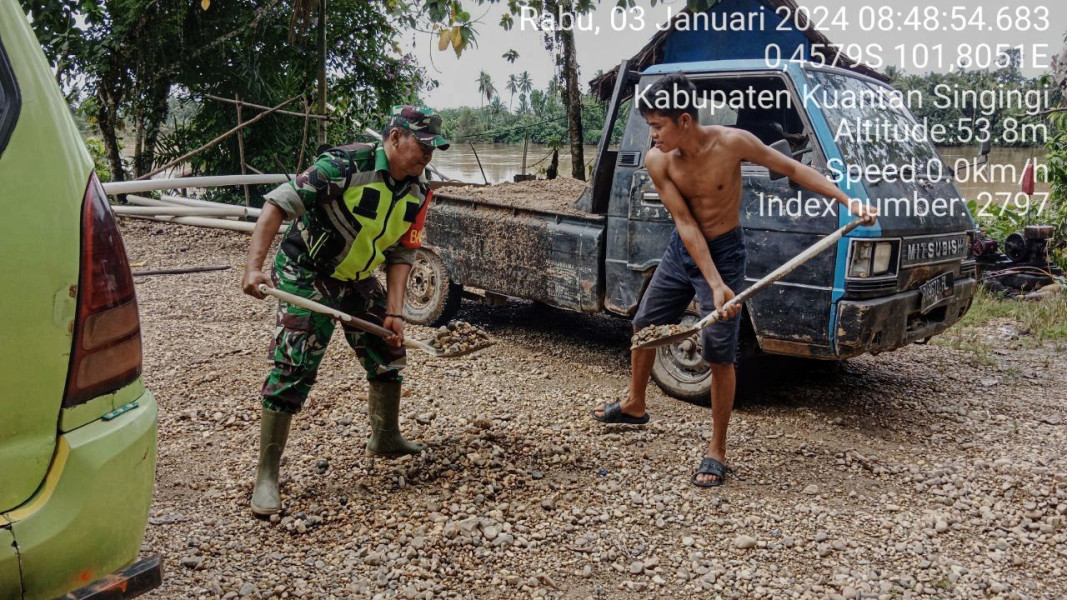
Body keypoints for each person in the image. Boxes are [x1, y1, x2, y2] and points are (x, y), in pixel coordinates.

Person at [591, 73, 877, 488]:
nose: (652, 136)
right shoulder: (658, 161)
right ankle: (635, 403)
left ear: (684, 120)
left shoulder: (733, 143)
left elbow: (792, 168)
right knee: (643, 326)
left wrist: (848, 200)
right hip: (683, 250)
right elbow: (686, 224)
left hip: (726, 252)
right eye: (650, 126)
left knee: (719, 352)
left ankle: (717, 449)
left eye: (657, 126)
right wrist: (712, 283)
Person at [241, 105, 449, 515]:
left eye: (434, 147)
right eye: (422, 144)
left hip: (355, 274)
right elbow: (278, 204)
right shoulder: (343, 166)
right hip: (307, 269)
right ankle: (267, 476)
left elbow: (402, 251)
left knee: (388, 348)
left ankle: (385, 437)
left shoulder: (418, 190)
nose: (428, 154)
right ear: (395, 138)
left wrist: (395, 312)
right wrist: (254, 267)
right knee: (295, 364)